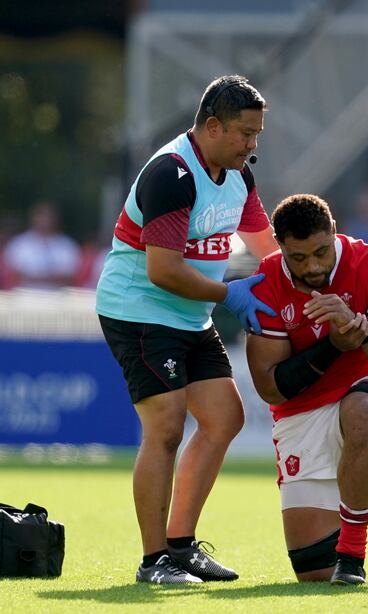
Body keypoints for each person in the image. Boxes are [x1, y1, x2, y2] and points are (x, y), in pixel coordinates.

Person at [95, 75, 279, 584]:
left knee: (224, 418)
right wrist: (231, 295)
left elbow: (267, 249)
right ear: (212, 126)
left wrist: (307, 287)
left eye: (257, 135)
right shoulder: (172, 173)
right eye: (245, 133)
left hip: (188, 315)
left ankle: (180, 547)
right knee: (167, 427)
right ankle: (153, 561)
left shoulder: (240, 174)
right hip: (138, 310)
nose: (251, 145)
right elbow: (164, 270)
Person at [245, 193, 368, 585]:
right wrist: (332, 345)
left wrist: (363, 330)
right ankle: (343, 535)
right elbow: (271, 389)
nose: (314, 267)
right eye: (298, 258)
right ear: (281, 248)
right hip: (301, 413)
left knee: (360, 410)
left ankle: (354, 554)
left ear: (334, 233)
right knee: (315, 572)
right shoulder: (267, 278)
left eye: (321, 252)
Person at [3, 201, 81, 289]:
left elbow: (70, 277)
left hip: (57, 299)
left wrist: (34, 278)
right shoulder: (18, 245)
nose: (45, 220)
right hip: (25, 298)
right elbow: (13, 275)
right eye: (41, 216)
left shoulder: (67, 246)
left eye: (48, 216)